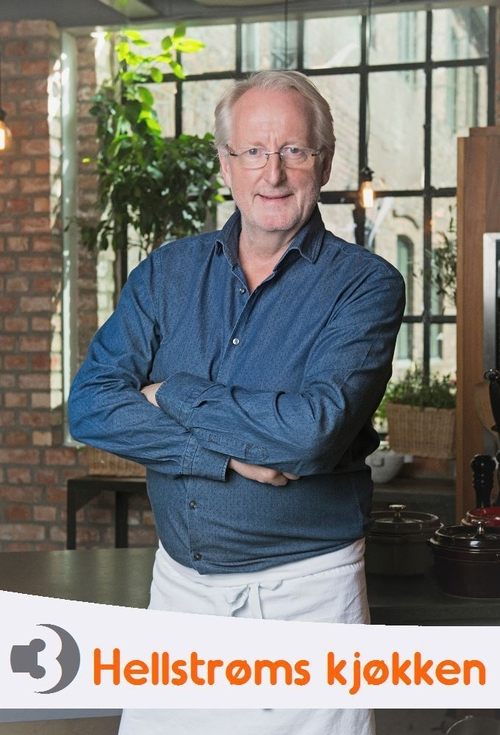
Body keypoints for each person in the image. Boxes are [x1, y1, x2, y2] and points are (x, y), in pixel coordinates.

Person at [69, 70, 405, 735]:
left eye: (293, 150)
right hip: (179, 592)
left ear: (324, 162)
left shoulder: (365, 286)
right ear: (226, 164)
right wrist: (225, 457)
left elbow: (310, 434)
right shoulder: (166, 274)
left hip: (307, 600)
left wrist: (171, 392)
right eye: (252, 151)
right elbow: (90, 405)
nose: (272, 173)